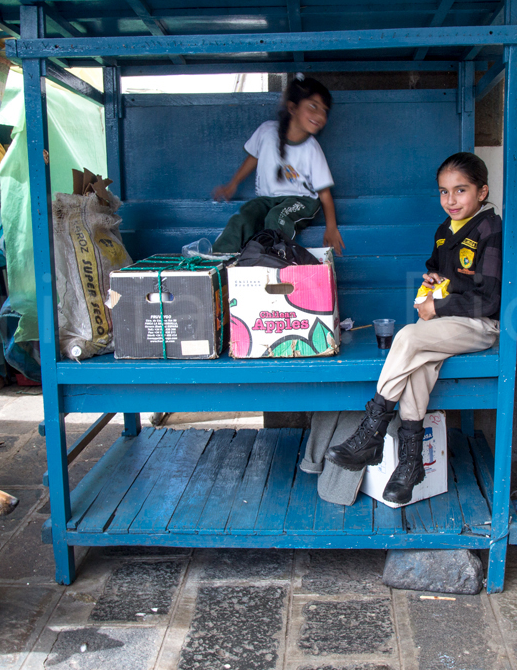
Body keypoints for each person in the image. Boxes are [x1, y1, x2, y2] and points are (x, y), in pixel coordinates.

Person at [325, 152, 501, 504]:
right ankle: (410, 464)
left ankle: (372, 429)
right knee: (419, 363)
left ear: (482, 192)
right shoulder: (442, 231)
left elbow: (490, 300)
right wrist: (434, 280)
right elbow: (438, 269)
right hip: (446, 324)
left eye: (460, 190)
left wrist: (437, 304)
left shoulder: (490, 230)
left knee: (407, 336)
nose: (450, 200)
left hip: (479, 324)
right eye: (443, 192)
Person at [212, 75, 345, 255]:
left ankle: (276, 258)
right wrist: (232, 185)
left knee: (277, 217)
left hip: (301, 200)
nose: (320, 115)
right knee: (244, 216)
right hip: (266, 199)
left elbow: (324, 192)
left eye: (324, 110)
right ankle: (218, 261)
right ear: (292, 107)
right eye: (313, 106)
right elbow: (253, 158)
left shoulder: (311, 148)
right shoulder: (266, 131)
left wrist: (331, 227)